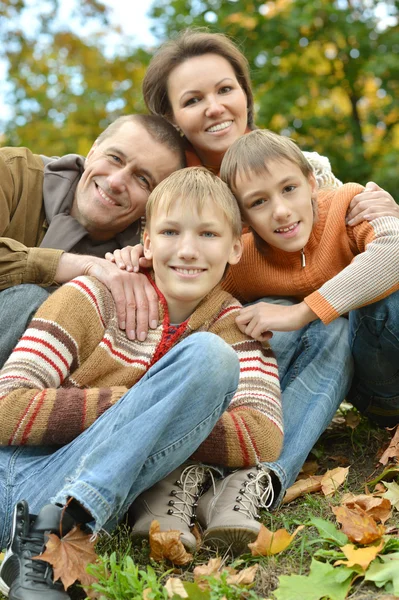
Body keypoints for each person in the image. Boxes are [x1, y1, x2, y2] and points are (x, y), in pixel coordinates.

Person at [107, 28, 399, 553]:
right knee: (258, 318)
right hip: (218, 350)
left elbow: (357, 242)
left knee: (323, 314)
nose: (215, 108)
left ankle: (255, 476)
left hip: (339, 345)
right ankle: (196, 473)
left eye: (226, 89)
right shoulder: (168, 189)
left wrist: (383, 219)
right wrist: (131, 258)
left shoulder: (304, 168)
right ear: (173, 118)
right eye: (193, 100)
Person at [0, 167, 283, 598]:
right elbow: (5, 406)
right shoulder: (93, 297)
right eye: (171, 232)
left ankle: (52, 534)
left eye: (208, 235)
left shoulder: (237, 327)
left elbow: (263, 436)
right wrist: (141, 407)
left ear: (235, 247)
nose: (188, 250)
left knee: (210, 356)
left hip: (81, 497)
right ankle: (51, 535)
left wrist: (155, 413)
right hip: (18, 476)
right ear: (146, 241)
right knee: (206, 359)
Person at [220, 129, 399, 427]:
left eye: (289, 188)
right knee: (260, 311)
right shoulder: (243, 259)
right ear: (243, 218)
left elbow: (394, 248)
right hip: (373, 391)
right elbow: (195, 297)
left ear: (311, 183)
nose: (280, 211)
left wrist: (300, 313)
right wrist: (139, 258)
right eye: (258, 202)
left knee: (380, 292)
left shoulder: (348, 205)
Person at [0, 114, 185, 368]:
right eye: (115, 158)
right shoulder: (12, 171)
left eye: (143, 179)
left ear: (152, 204)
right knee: (30, 299)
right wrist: (82, 266)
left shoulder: (143, 257)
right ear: (93, 151)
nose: (116, 181)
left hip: (49, 386)